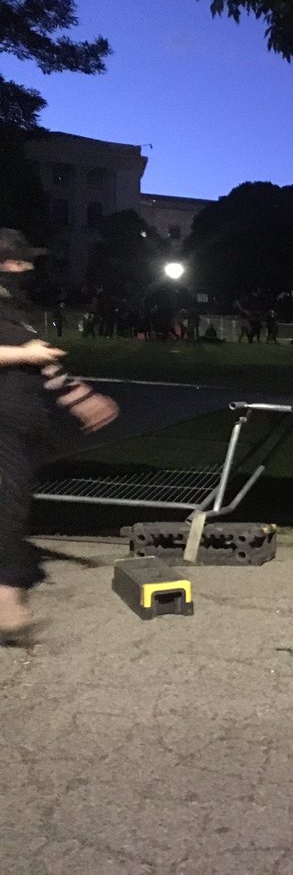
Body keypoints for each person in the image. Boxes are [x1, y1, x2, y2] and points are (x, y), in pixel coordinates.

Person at [0, 229, 118, 644]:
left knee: (10, 504)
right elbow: (29, 355)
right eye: (20, 262)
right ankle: (9, 608)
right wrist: (22, 355)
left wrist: (82, 398)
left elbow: (46, 364)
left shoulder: (17, 309)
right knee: (7, 509)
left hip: (19, 424)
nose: (28, 268)